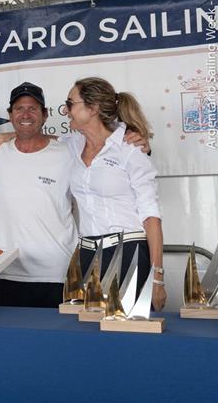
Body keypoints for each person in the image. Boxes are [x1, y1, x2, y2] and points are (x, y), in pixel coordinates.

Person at [63, 77, 166, 310]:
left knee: (130, 337)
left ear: (93, 109)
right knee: (91, 338)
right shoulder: (73, 143)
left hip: (128, 253)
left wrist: (157, 277)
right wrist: (6, 136)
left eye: (70, 104)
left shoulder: (131, 148)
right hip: (88, 255)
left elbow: (151, 216)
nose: (65, 110)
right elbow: (42, 141)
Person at [0, 82, 77, 308]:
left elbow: (101, 142)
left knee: (61, 343)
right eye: (19, 109)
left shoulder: (68, 153)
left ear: (45, 115)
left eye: (33, 108)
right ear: (10, 115)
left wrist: (137, 139)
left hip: (59, 272)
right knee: (12, 343)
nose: (25, 114)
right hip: (8, 273)